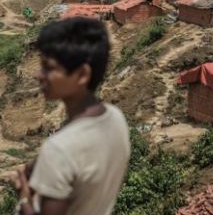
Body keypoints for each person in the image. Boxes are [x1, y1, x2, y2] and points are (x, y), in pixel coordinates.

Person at [12, 17, 130, 215]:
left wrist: (23, 197)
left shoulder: (59, 149)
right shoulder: (116, 118)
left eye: (48, 67)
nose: (39, 75)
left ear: (82, 74)